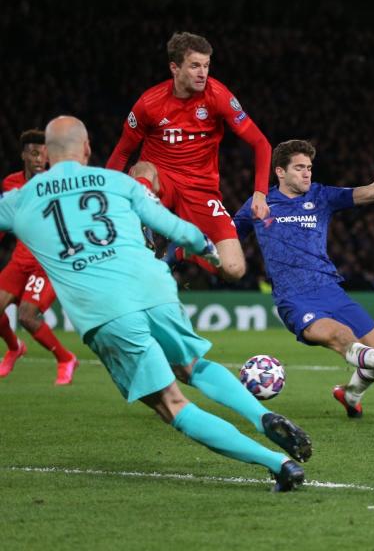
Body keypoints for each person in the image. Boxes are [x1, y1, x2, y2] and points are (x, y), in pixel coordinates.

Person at [0, 116, 311, 491]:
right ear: (86, 150)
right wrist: (209, 253)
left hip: (105, 311)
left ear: (47, 155)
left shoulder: (19, 199)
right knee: (193, 365)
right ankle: (261, 415)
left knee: (172, 405)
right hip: (154, 287)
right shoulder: (117, 182)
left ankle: (278, 463)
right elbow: (176, 228)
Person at [234, 137, 374, 419]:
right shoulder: (259, 204)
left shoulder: (321, 197)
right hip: (295, 298)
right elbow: (227, 236)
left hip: (331, 291)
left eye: (309, 167)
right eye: (299, 167)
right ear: (280, 172)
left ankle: (350, 394)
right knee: (340, 336)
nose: (307, 172)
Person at [106, 31, 272, 281]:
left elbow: (261, 143)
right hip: (161, 183)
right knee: (142, 169)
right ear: (175, 67)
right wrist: (106, 196)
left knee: (234, 269)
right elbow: (122, 152)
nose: (202, 73)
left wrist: (260, 192)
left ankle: (184, 250)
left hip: (201, 190)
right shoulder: (149, 103)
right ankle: (150, 230)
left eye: (206, 66)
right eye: (195, 65)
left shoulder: (218, 96)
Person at [0, 129, 77, 384]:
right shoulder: (11, 183)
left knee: (26, 316)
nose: (38, 159)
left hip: (47, 263)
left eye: (43, 154)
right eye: (33, 153)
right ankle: (15, 348)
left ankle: (66, 358)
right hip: (20, 259)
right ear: (23, 154)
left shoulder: (57, 183)